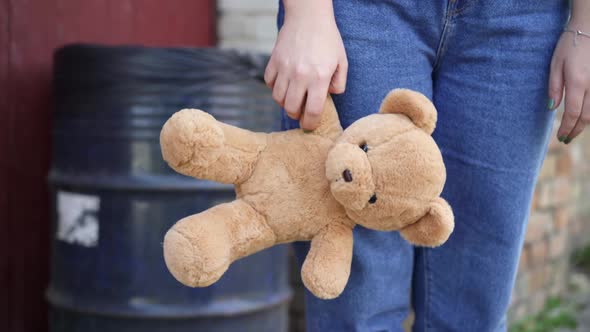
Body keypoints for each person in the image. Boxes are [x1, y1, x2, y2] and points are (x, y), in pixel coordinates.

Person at [263, 0, 589, 331]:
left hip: (521, 21)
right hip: (365, 12)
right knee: (356, 303)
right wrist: (307, 12)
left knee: (473, 313)